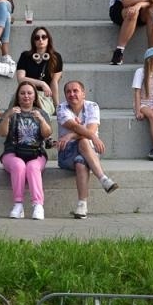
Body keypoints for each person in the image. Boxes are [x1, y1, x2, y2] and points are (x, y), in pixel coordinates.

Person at [56, 80, 119, 219]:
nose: (72, 94)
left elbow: (90, 128)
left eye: (75, 91)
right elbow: (74, 125)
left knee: (81, 161)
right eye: (68, 91)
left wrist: (71, 135)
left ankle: (82, 206)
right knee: (84, 140)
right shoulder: (61, 108)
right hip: (67, 152)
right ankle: (103, 179)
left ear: (83, 93)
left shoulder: (92, 106)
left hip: (88, 152)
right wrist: (93, 138)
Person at [0, 81, 53, 221]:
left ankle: (38, 205)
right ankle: (18, 204)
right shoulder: (11, 112)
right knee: (19, 165)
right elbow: (1, 132)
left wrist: (41, 120)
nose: (26, 96)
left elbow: (47, 134)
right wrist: (8, 116)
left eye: (29, 93)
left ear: (35, 96)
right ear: (18, 96)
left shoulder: (41, 113)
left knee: (32, 167)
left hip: (36, 153)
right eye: (22, 93)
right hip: (13, 152)